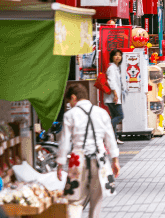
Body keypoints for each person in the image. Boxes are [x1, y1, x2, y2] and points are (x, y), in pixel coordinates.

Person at [57, 84, 120, 218]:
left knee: (75, 200)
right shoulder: (101, 112)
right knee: (96, 199)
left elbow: (64, 142)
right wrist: (115, 160)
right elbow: (110, 138)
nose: (70, 105)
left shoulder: (70, 115)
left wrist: (60, 164)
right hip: (99, 159)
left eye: (69, 102)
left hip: (77, 159)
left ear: (73, 98)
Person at [103, 50, 124, 144]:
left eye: (120, 55)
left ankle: (113, 139)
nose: (118, 57)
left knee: (115, 116)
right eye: (115, 55)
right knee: (120, 116)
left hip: (112, 96)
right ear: (111, 57)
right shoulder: (112, 68)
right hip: (112, 97)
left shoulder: (115, 67)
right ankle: (106, 130)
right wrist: (115, 95)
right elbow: (111, 81)